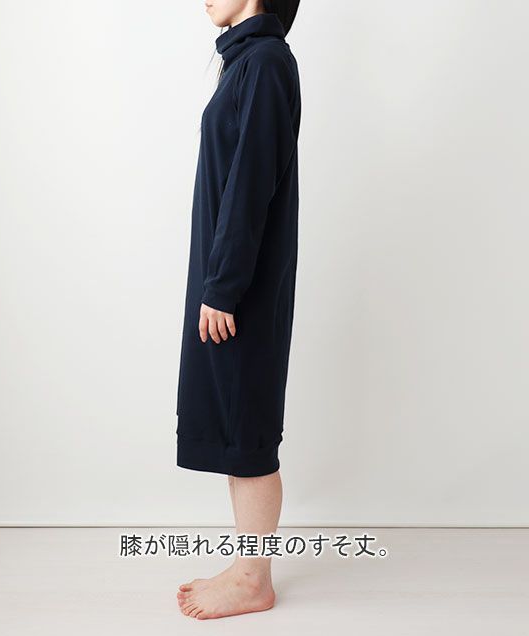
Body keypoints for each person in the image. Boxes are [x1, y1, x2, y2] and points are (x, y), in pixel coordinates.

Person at [175, 0, 302, 620]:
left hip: (240, 288)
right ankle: (248, 564)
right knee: (234, 424)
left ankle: (255, 579)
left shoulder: (267, 62)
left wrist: (223, 287)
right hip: (228, 280)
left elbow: (251, 184)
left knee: (248, 429)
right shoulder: (247, 61)